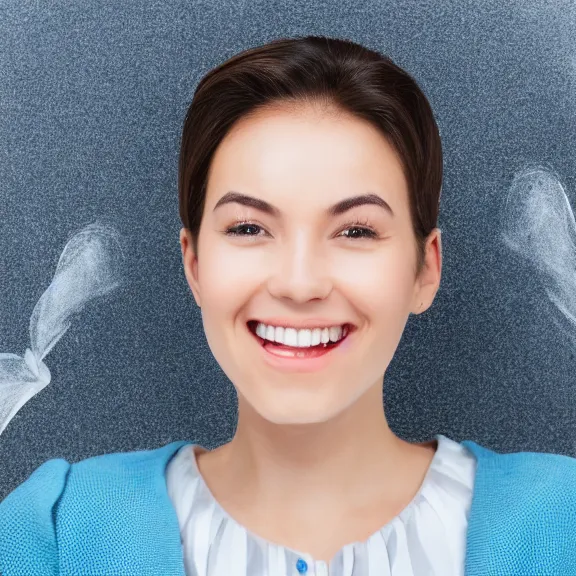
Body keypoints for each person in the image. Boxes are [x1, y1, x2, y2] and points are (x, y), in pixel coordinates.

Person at [1, 34, 576, 576]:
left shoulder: (560, 526)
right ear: (194, 264)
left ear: (426, 269)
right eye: (249, 227)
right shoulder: (57, 536)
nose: (300, 284)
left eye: (355, 231)